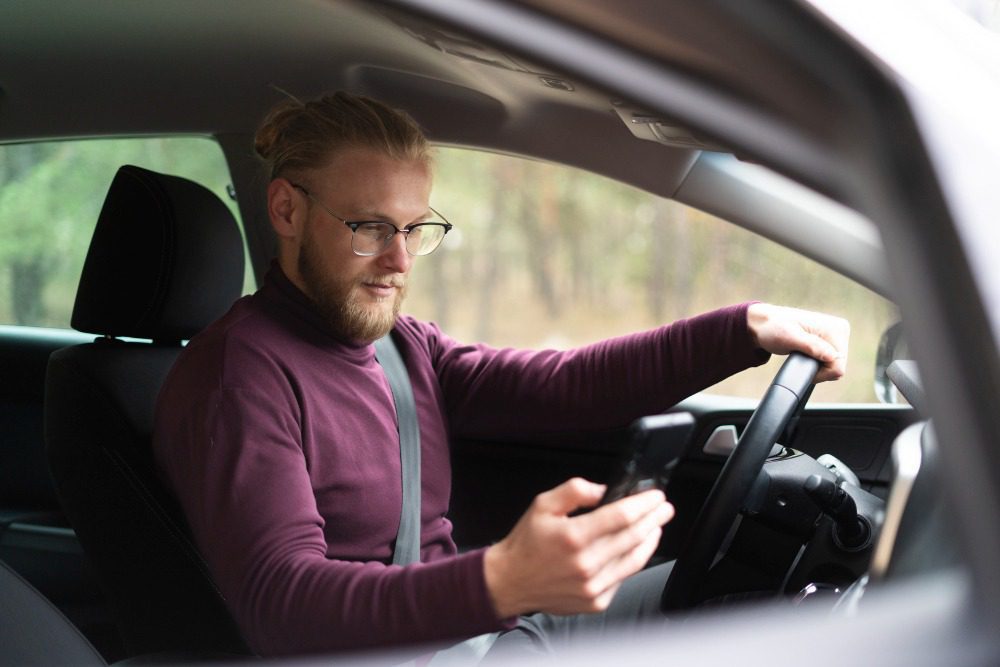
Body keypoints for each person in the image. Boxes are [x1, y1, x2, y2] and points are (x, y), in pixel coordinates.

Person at [152, 91, 849, 661]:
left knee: (741, 593)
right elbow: (282, 602)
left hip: (471, 639)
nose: (400, 260)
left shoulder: (401, 345)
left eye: (415, 229)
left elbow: (565, 384)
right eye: (370, 227)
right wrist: (499, 579)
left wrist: (743, 329)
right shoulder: (236, 376)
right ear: (286, 210)